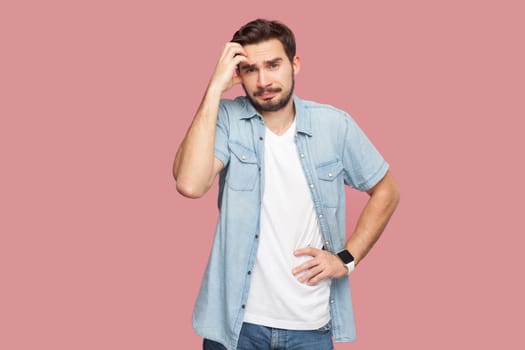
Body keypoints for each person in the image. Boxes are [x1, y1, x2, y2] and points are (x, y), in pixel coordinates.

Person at [173, 18, 400, 350]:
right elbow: (190, 184)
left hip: (309, 327)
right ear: (238, 76)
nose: (263, 81)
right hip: (237, 328)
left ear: (295, 64)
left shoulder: (334, 125)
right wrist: (213, 89)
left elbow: (387, 190)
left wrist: (347, 258)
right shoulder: (227, 119)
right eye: (250, 70)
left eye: (273, 65)